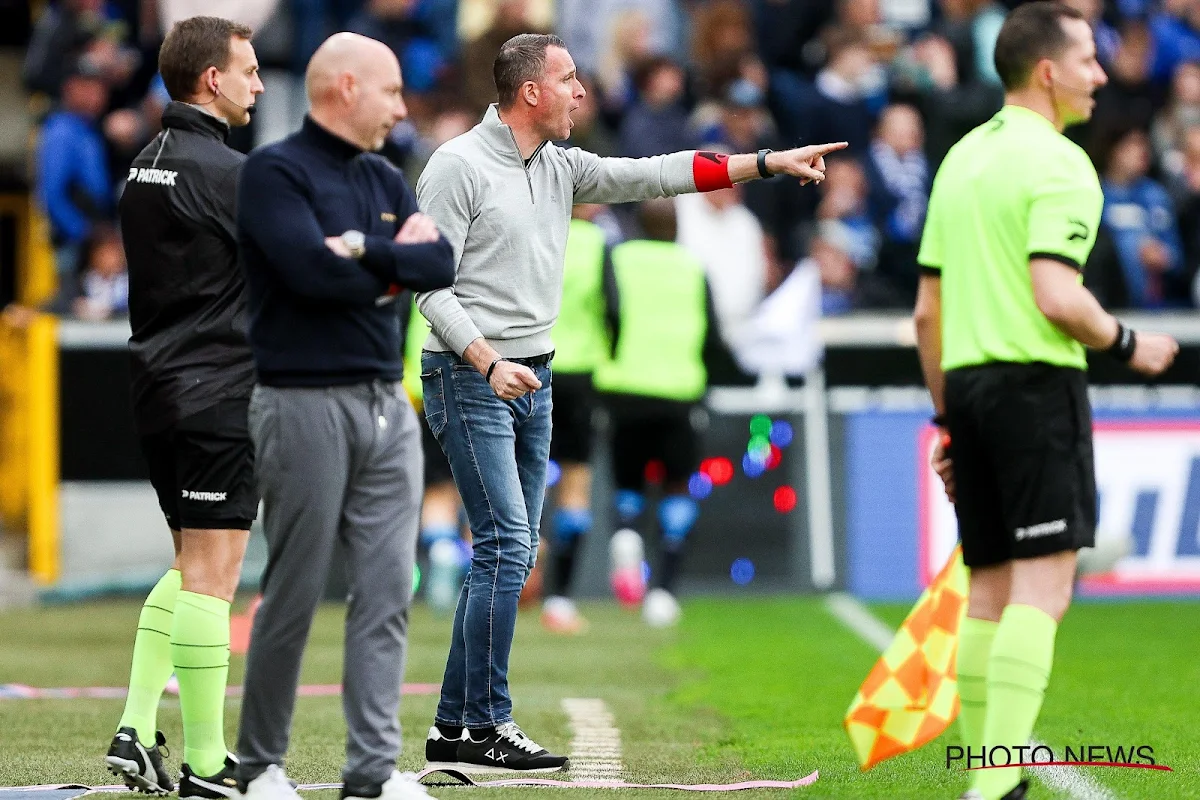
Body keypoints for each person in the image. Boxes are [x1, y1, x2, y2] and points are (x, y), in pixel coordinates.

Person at [414, 31, 845, 774]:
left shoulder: (560, 167)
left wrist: (767, 163)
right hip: (470, 375)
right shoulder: (455, 168)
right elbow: (430, 287)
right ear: (530, 93)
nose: (582, 92)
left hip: (536, 376)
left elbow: (661, 175)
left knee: (509, 554)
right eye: (569, 79)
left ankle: (456, 727)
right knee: (509, 548)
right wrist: (488, 363)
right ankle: (485, 725)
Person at [912, 5, 1179, 800]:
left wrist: (947, 418)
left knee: (989, 589)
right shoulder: (1063, 164)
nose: (1103, 76)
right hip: (1034, 386)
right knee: (1044, 589)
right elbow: (1057, 295)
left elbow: (927, 313)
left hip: (968, 385)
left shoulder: (960, 159)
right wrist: (1131, 343)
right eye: (1090, 60)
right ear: (1049, 72)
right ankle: (996, 786)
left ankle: (993, 782)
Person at [232, 32, 455, 800]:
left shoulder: (384, 176)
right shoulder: (273, 171)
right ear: (346, 88)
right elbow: (307, 271)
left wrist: (363, 248)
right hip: (300, 400)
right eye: (392, 91)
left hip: (385, 404)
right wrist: (388, 260)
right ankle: (260, 765)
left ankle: (372, 772)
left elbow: (440, 263)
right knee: (293, 590)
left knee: (389, 591)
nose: (402, 106)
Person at [104, 16, 264, 797]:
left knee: (190, 564)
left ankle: (136, 726)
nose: (259, 84)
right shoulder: (230, 175)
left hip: (156, 387)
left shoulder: (142, 164)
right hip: (218, 390)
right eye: (249, 70)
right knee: (214, 579)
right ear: (212, 79)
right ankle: (208, 765)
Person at [593, 197, 729, 628]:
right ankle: (665, 591)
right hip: (679, 393)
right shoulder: (693, 267)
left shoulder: (617, 259)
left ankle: (628, 533)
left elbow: (608, 313)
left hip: (624, 389)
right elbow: (712, 334)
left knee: (628, 482)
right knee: (675, 490)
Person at [539, 203, 615, 634]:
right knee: (575, 483)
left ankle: (509, 583)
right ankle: (561, 599)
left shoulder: (526, 228)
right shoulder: (595, 244)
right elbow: (615, 309)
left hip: (525, 366)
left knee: (511, 479)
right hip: (579, 375)